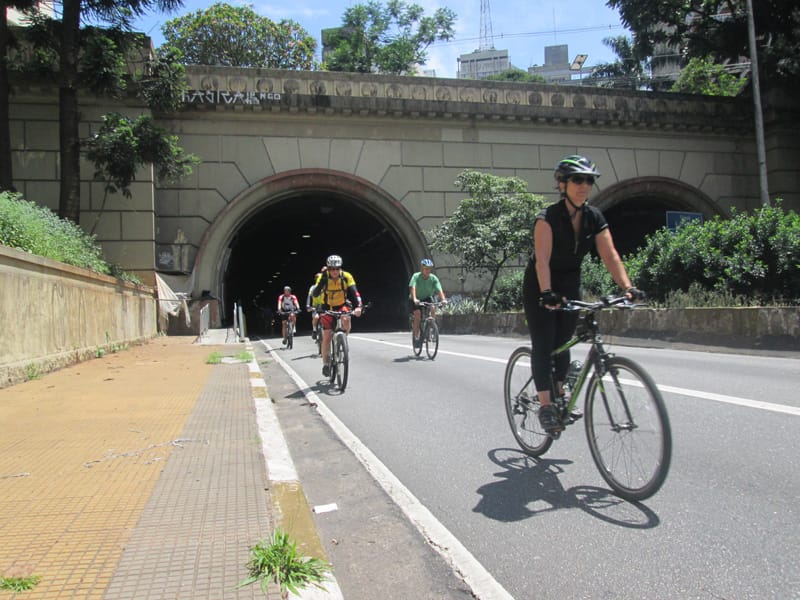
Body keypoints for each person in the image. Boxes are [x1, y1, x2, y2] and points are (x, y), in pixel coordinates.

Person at [522, 155, 644, 434]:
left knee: (563, 342)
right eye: (578, 180)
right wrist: (547, 293)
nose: (584, 186)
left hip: (570, 283)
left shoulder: (594, 217)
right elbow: (542, 260)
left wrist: (628, 288)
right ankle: (546, 406)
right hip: (541, 284)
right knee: (544, 343)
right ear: (562, 184)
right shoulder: (547, 218)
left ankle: (560, 393)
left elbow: (610, 255)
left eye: (589, 180)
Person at [310, 254, 363, 376]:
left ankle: (342, 340)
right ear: (328, 269)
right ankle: (325, 364)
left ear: (340, 268)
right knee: (327, 336)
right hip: (327, 306)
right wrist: (322, 281)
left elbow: (355, 293)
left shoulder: (346, 276)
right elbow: (315, 293)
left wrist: (359, 306)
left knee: (346, 318)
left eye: (337, 268)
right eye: (332, 269)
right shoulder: (323, 277)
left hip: (341, 304)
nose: (334, 271)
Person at [408, 258, 447, 348]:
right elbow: (412, 287)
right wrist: (415, 299)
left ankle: (430, 328)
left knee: (433, 307)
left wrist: (443, 299)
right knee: (417, 314)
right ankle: (416, 336)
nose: (427, 270)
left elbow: (439, 289)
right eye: (426, 269)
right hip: (416, 298)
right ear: (422, 269)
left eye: (429, 269)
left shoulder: (433, 278)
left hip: (427, 297)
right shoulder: (416, 276)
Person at [305, 266, 326, 340]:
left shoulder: (325, 286)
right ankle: (314, 330)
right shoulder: (313, 287)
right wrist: (308, 305)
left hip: (324, 305)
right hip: (316, 306)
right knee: (316, 317)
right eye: (317, 278)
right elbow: (309, 296)